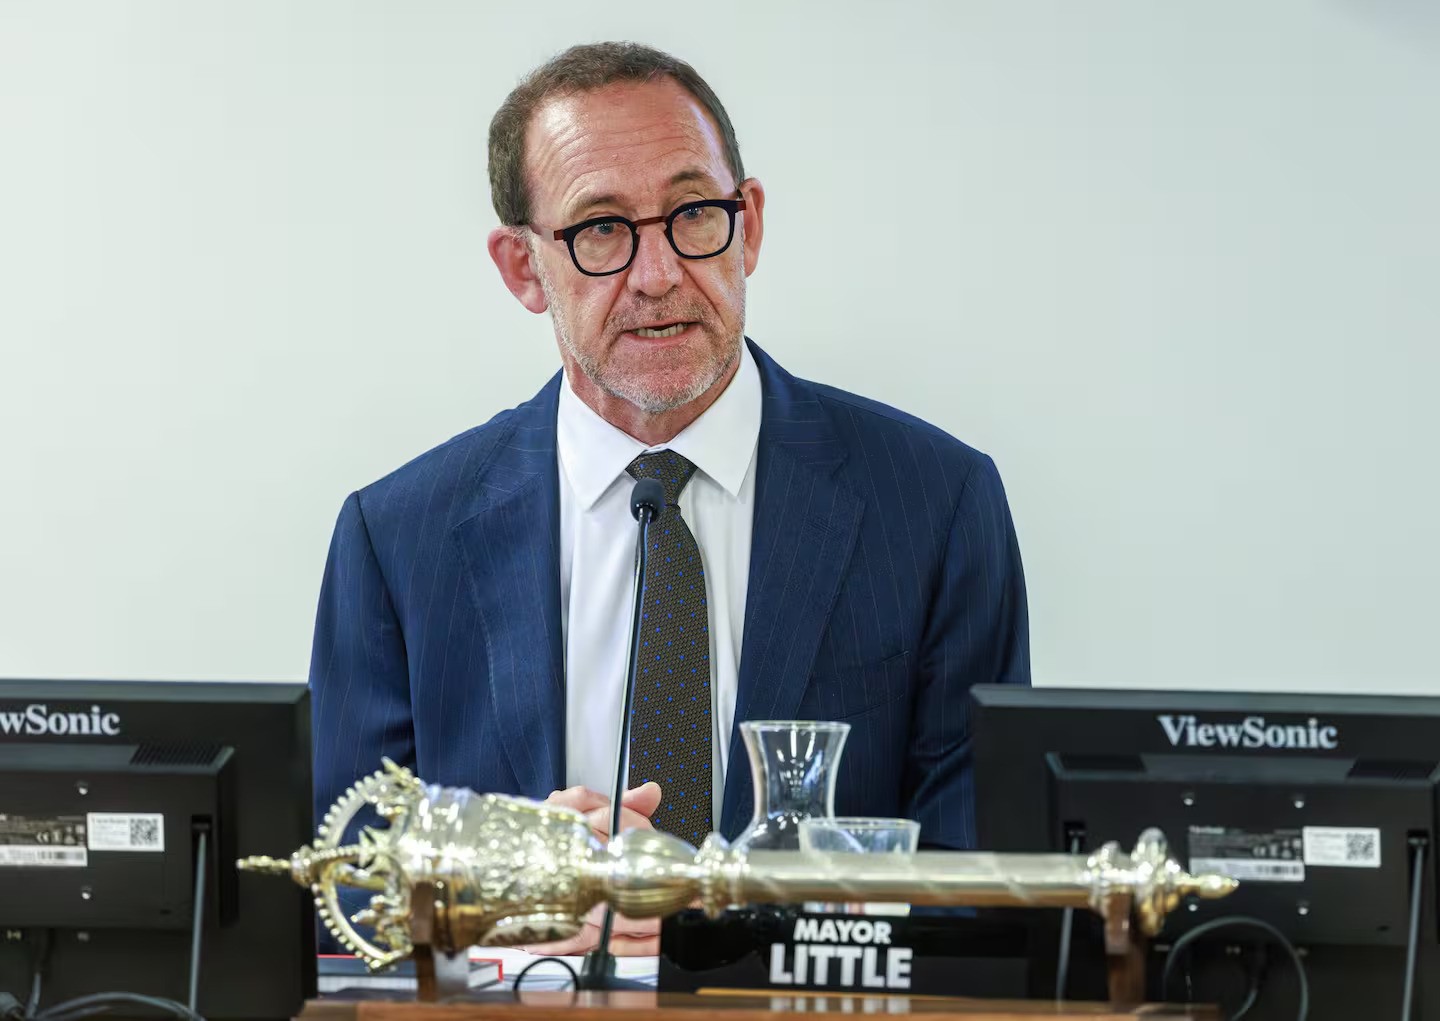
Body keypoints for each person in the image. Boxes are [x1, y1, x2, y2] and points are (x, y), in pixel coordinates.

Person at [309, 41, 1029, 956]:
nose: (659, 275)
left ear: (750, 223)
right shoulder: (397, 538)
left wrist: (704, 919)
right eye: (602, 229)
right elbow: (341, 892)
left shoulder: (937, 504)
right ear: (523, 268)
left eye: (694, 213)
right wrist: (515, 894)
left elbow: (986, 888)